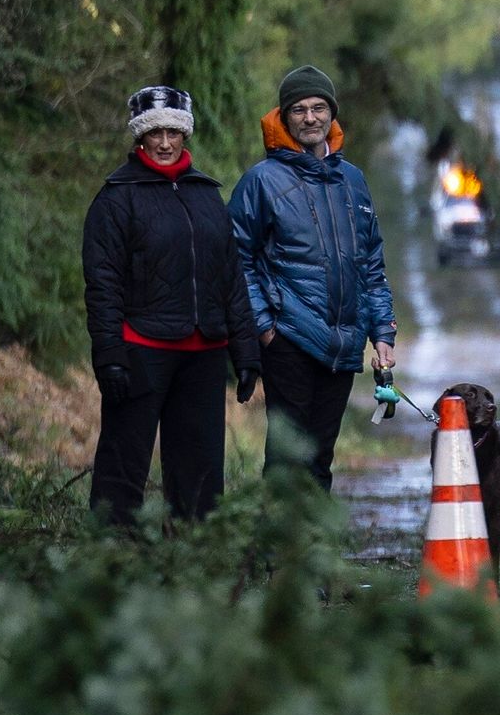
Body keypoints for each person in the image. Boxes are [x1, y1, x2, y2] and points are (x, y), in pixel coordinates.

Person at [82, 83, 262, 527]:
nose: (164, 143)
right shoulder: (116, 197)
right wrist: (109, 355)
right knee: (123, 464)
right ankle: (111, 557)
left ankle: (194, 562)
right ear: (140, 137)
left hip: (203, 356)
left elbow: (230, 276)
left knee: (200, 472)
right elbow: (102, 284)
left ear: (186, 136)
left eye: (173, 132)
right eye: (154, 133)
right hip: (140, 350)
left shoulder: (206, 195)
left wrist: (247, 351)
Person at [229, 63, 398, 489]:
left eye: (319, 107)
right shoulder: (261, 181)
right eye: (299, 109)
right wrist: (265, 328)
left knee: (321, 456)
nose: (310, 118)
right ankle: (277, 553)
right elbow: (236, 259)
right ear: (284, 117)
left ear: (331, 114)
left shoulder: (353, 181)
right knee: (288, 456)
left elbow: (371, 264)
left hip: (344, 342)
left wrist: (382, 334)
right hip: (289, 341)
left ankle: (310, 550)